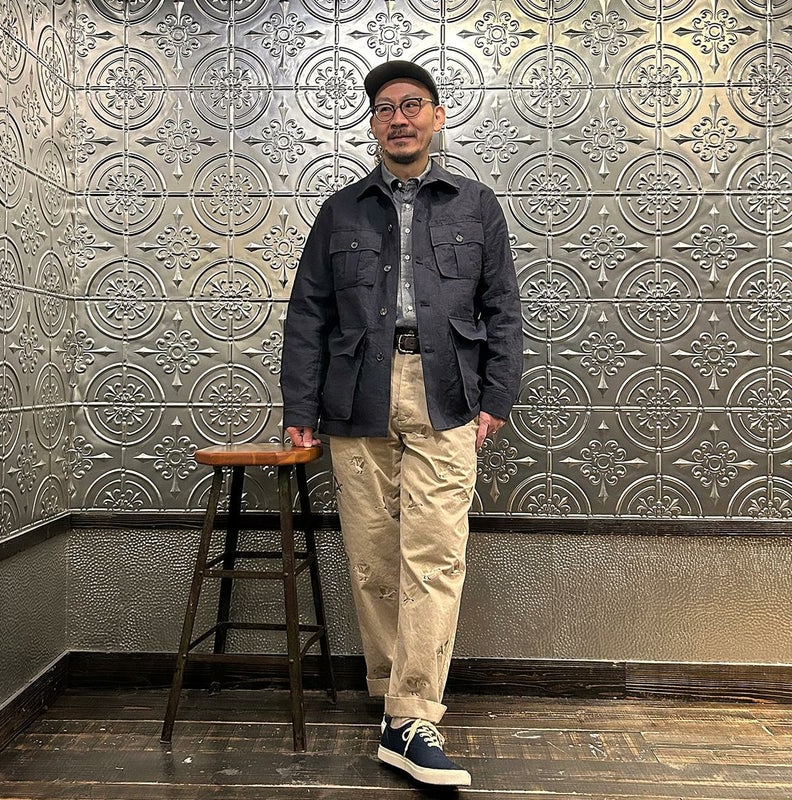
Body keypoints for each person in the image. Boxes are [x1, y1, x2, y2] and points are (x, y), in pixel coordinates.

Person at [280, 60, 522, 787]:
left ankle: (414, 714)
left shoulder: (476, 205)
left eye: (412, 104)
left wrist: (497, 396)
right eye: (385, 108)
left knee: (436, 553)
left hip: (447, 391)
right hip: (357, 392)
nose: (399, 118)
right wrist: (299, 409)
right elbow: (308, 314)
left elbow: (503, 307)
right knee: (373, 557)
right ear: (374, 125)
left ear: (438, 116)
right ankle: (394, 703)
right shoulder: (341, 211)